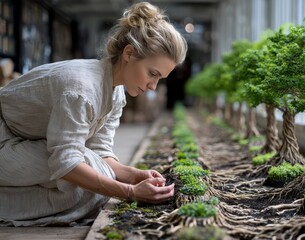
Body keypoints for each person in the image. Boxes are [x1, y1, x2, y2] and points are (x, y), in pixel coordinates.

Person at [0, 2, 187, 226]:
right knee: (93, 178)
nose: (152, 86)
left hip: (26, 142)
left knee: (97, 179)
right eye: (152, 74)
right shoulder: (82, 90)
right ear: (129, 53)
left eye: (159, 79)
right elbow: (67, 161)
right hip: (5, 140)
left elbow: (101, 151)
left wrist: (134, 175)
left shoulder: (116, 93)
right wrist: (129, 191)